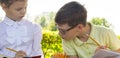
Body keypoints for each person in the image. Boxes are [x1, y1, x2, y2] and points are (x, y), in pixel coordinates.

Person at [55, 1, 120, 58]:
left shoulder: (105, 33)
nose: (59, 33)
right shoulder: (67, 40)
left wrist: (106, 53)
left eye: (62, 31)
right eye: (58, 28)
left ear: (80, 27)